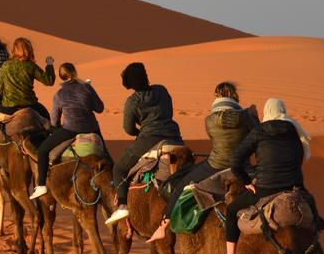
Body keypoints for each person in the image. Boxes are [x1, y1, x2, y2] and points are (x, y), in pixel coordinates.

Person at [146, 81, 258, 243]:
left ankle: (163, 227)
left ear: (217, 97)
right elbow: (256, 137)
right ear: (235, 96)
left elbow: (220, 140)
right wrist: (251, 114)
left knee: (180, 186)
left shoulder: (209, 121)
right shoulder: (247, 116)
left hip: (215, 165)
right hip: (244, 168)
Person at [215, 97, 312, 254]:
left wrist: (246, 182)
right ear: (282, 111)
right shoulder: (293, 129)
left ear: (267, 113)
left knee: (231, 210)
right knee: (311, 208)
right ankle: (314, 251)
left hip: (265, 190)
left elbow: (235, 161)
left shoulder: (258, 132)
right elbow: (299, 157)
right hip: (294, 187)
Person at [105, 62, 183, 225]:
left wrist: (138, 132)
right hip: (175, 137)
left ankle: (122, 205)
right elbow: (169, 110)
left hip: (149, 138)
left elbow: (128, 128)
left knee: (119, 168)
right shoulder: (161, 90)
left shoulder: (132, 101)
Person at [0, 37, 53, 167]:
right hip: (30, 105)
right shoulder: (31, 66)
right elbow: (49, 81)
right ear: (28, 50)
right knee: (47, 119)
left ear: (15, 50)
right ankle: (50, 150)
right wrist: (49, 64)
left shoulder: (6, 65)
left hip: (8, 107)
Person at [30, 63, 103, 199]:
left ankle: (41, 185)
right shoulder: (86, 87)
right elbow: (100, 108)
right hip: (91, 128)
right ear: (74, 72)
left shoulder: (59, 94)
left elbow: (54, 121)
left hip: (70, 129)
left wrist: (55, 126)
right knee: (106, 155)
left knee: (43, 150)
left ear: (60, 77)